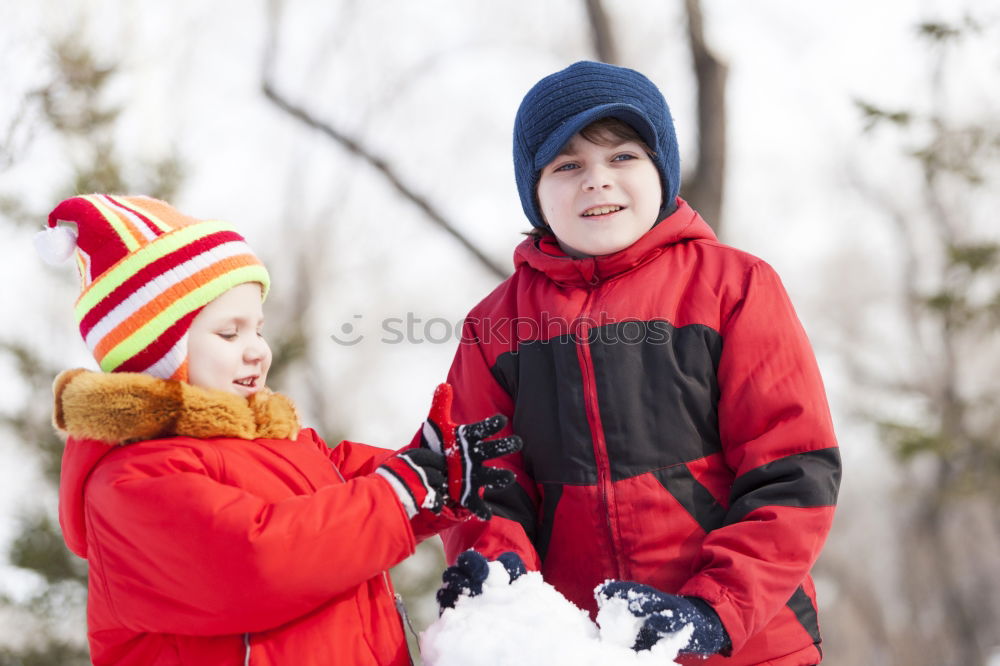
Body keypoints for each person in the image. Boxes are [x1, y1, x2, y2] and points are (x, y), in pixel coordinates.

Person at [433, 61, 842, 665]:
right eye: (567, 165)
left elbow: (791, 469)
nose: (596, 181)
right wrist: (500, 589)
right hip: (583, 646)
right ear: (535, 192)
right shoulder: (495, 327)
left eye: (622, 157)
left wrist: (713, 610)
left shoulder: (734, 287)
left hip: (746, 642)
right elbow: (486, 491)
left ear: (661, 170)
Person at [36, 194, 520, 666]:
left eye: (258, 330)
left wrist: (430, 473)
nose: (257, 351)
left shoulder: (281, 449)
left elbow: (341, 493)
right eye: (230, 333)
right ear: (157, 355)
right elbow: (257, 562)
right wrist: (398, 492)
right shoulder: (132, 479)